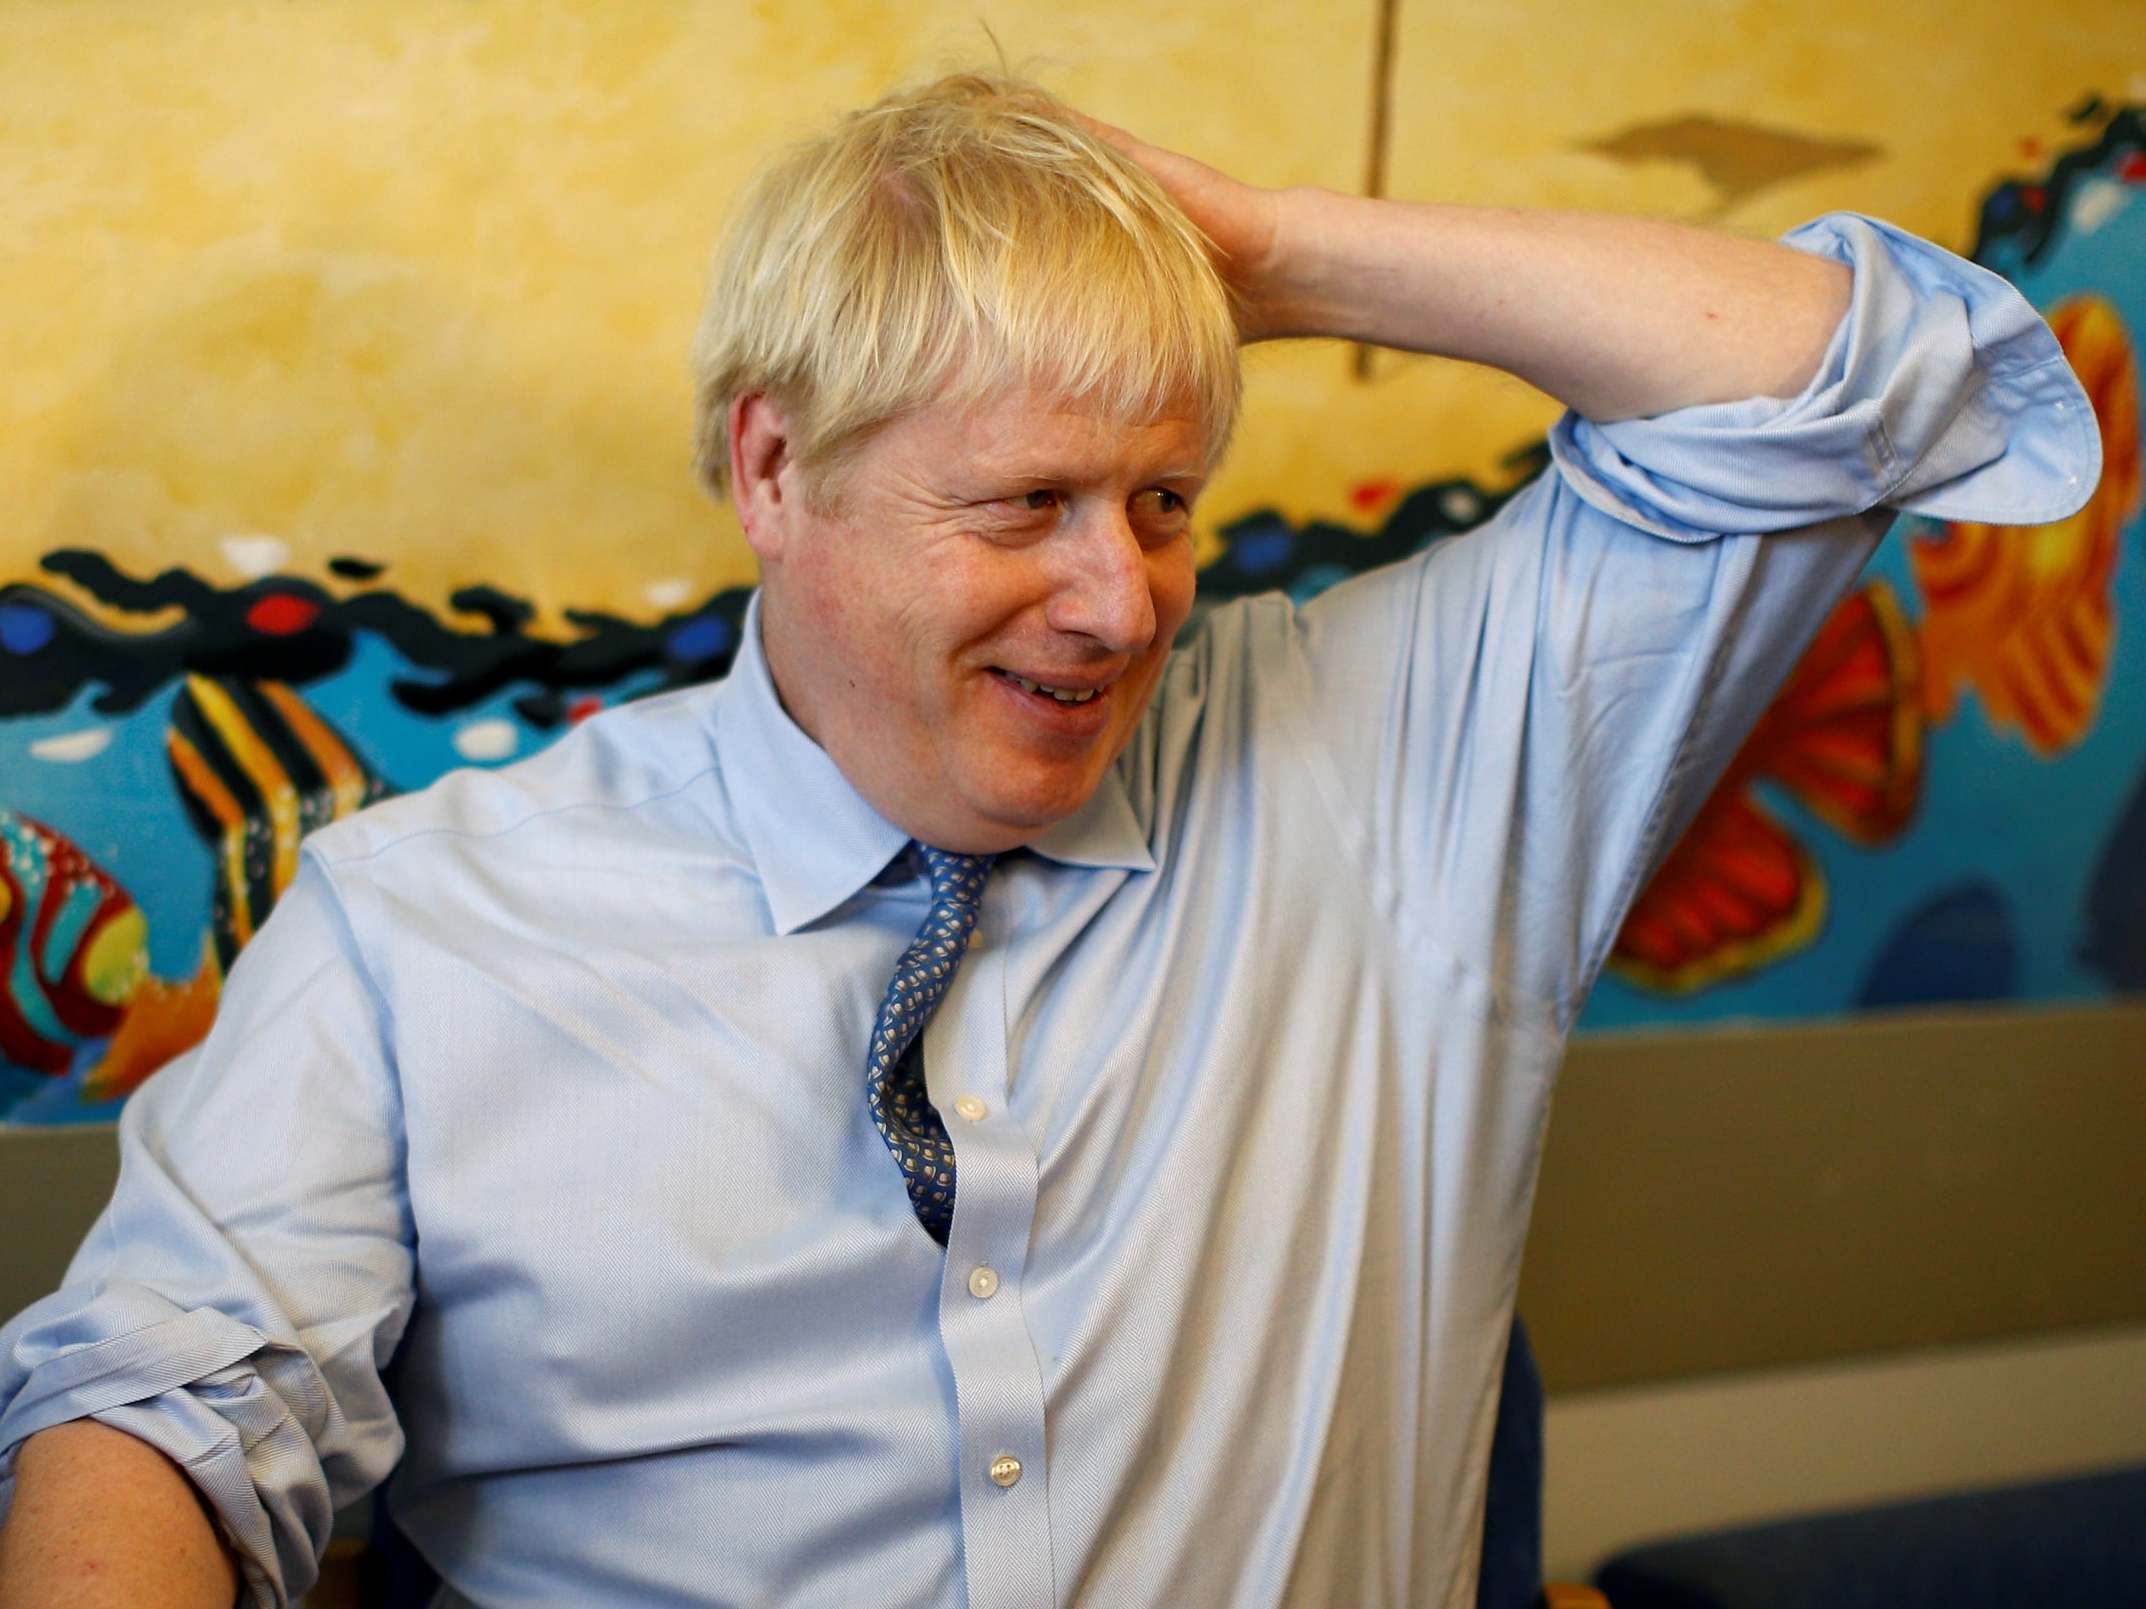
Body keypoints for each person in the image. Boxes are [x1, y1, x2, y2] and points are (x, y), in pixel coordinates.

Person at [0, 71, 2097, 1609]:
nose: (1118, 602)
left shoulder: (1387, 777)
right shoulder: (424, 930)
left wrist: (1269, 252)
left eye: (1163, 500)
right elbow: (166, 1409)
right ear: (771, 467)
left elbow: (1892, 390)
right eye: (1022, 505)